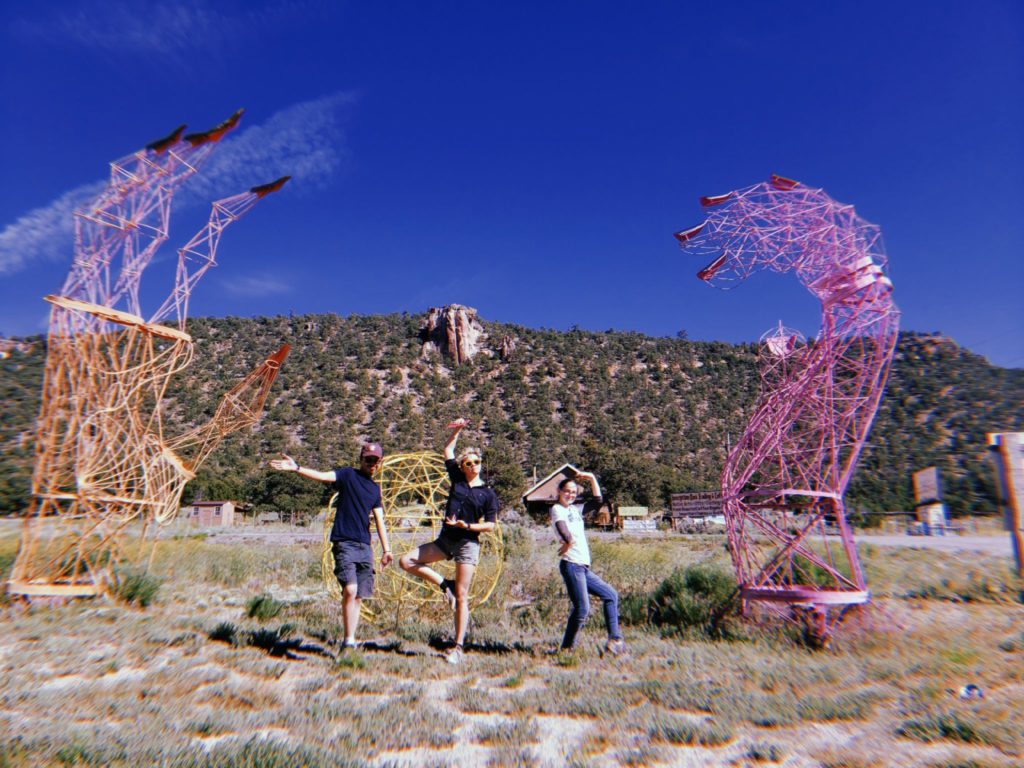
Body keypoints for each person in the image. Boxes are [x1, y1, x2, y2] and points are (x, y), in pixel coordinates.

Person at [269, 443, 392, 651]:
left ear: (380, 463)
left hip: (365, 545)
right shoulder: (348, 475)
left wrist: (387, 550)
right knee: (350, 589)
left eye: (376, 460)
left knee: (359, 595)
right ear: (361, 459)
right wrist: (297, 468)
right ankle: (348, 639)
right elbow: (323, 476)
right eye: (368, 459)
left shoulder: (375, 489)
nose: (372, 464)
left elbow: (380, 519)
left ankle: (349, 641)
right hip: (344, 541)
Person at [399, 419, 499, 664]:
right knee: (406, 561)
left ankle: (458, 646)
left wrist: (468, 526)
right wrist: (458, 430)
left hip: (467, 543)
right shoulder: (457, 479)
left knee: (463, 596)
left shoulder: (488, 493)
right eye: (469, 463)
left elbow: (490, 524)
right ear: (463, 466)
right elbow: (448, 451)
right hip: (446, 540)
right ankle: (446, 585)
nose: (473, 466)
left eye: (477, 462)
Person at [551, 471, 625, 655]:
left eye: (574, 492)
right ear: (560, 491)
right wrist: (568, 542)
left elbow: (598, 500)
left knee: (611, 595)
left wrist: (591, 478)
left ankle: (614, 640)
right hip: (571, 564)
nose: (570, 494)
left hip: (582, 567)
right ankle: (567, 648)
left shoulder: (576, 510)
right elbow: (562, 529)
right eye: (567, 491)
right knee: (582, 609)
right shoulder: (557, 509)